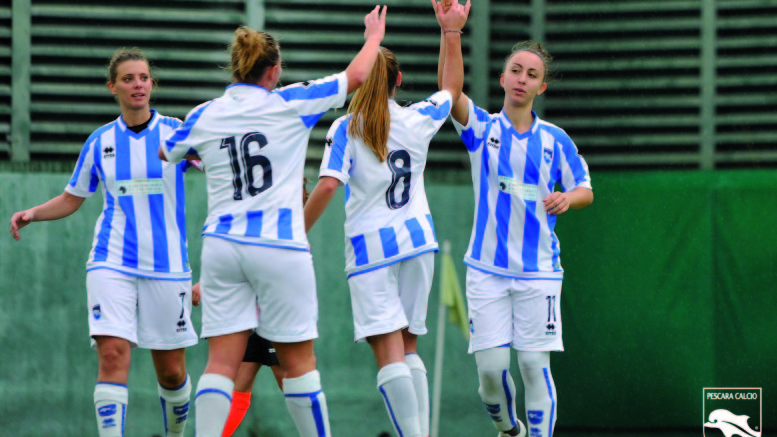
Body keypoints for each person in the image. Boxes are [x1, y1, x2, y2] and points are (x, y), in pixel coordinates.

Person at [159, 7, 387, 436]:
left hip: (222, 246)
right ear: (274, 70)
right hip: (278, 244)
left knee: (220, 364)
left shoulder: (206, 113)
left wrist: (210, 158)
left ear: (236, 67)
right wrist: (373, 36)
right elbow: (356, 75)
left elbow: (166, 151)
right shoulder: (290, 102)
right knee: (299, 363)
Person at [8, 48, 199, 437]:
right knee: (112, 355)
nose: (138, 85)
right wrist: (33, 213)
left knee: (172, 371)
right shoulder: (100, 141)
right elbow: (72, 197)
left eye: (143, 77)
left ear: (152, 83)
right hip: (111, 261)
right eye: (128, 79)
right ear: (113, 87)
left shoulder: (176, 132)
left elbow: (220, 165)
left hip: (167, 266)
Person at [303, 3, 469, 436]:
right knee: (409, 347)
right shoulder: (419, 118)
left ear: (361, 78)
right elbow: (452, 88)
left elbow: (327, 186)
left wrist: (296, 231)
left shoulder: (346, 128)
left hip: (370, 249)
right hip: (419, 242)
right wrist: (451, 32)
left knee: (389, 354)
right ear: (398, 80)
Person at [434, 4, 594, 436]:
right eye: (516, 71)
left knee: (533, 365)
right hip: (486, 271)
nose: (523, 79)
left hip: (539, 272)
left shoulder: (555, 140)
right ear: (503, 78)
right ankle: (510, 430)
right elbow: (450, 92)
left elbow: (585, 188)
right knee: (490, 374)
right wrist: (452, 33)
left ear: (541, 87)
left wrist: (568, 198)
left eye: (532, 74)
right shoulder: (482, 129)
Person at [220, 178, 309, 437]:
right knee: (240, 383)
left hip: (278, 315)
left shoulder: (285, 231)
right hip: (252, 314)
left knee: (292, 384)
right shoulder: (261, 223)